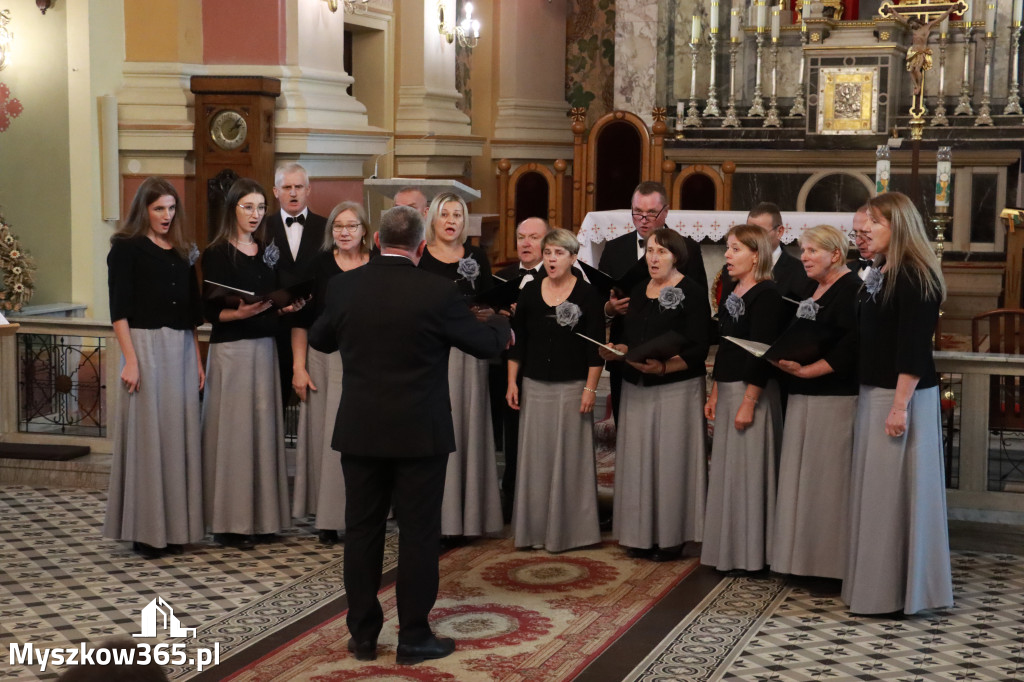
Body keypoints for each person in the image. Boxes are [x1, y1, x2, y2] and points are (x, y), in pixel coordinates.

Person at [308, 205, 511, 665]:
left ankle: (362, 636)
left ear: (376, 241)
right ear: (421, 247)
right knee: (419, 535)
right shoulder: (436, 292)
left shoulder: (344, 286)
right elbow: (485, 346)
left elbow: (320, 340)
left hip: (360, 431)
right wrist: (501, 324)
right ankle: (414, 638)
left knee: (362, 532)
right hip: (420, 433)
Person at [843, 191, 953, 616]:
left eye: (873, 223)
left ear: (898, 226)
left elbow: (912, 349)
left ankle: (896, 592)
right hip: (877, 393)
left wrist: (899, 407)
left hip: (902, 397)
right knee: (876, 496)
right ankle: (875, 586)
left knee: (894, 497)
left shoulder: (914, 274)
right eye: (863, 225)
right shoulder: (882, 271)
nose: (864, 231)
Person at [103, 177, 205, 560]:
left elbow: (192, 315)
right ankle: (146, 531)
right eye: (159, 208)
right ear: (144, 209)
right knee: (149, 440)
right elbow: (119, 311)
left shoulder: (182, 252)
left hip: (180, 349)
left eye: (171, 208)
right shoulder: (125, 249)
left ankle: (177, 528)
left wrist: (196, 361)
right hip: (144, 347)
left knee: (177, 437)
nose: (167, 215)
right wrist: (130, 359)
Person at [201, 178, 304, 551]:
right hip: (231, 352)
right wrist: (239, 312)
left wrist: (288, 305)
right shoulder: (215, 253)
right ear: (233, 209)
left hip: (265, 349)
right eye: (248, 207)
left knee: (262, 432)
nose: (256, 214)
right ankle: (230, 523)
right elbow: (211, 312)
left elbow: (275, 297)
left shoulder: (268, 251)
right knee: (233, 436)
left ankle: (263, 520)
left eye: (261, 207)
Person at [601, 228, 712, 562]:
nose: (653, 257)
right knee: (639, 461)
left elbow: (699, 345)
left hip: (675, 389)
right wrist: (616, 349)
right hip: (638, 386)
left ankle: (671, 537)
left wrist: (665, 368)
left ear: (675, 256)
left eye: (661, 252)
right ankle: (639, 533)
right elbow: (628, 337)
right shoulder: (637, 290)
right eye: (649, 251)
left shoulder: (690, 291)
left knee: (671, 463)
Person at [770, 224, 860, 581]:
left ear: (835, 254)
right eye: (802, 250)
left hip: (833, 395)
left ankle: (828, 568)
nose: (803, 257)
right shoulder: (812, 287)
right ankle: (799, 561)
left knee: (826, 483)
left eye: (811, 251)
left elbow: (852, 345)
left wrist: (810, 371)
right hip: (803, 393)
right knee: (800, 480)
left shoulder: (851, 289)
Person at [507, 228, 605, 552]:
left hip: (573, 385)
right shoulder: (530, 292)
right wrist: (512, 382)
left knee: (571, 462)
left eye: (558, 253)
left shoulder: (588, 296)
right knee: (535, 461)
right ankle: (533, 531)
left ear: (573, 258)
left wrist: (591, 389)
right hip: (535, 386)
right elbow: (518, 342)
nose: (551, 258)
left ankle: (573, 533)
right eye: (547, 252)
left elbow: (596, 349)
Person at [418, 191, 503, 540]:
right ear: (432, 220)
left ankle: (471, 518)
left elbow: (490, 302)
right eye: (445, 214)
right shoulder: (421, 258)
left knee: (471, 429)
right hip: (435, 355)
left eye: (457, 215)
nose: (452, 221)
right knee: (438, 430)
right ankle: (439, 518)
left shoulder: (476, 255)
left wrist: (487, 312)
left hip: (470, 354)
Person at [702, 223, 785, 573]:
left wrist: (748, 401)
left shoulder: (768, 294)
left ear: (756, 255)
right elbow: (726, 347)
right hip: (729, 387)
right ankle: (729, 549)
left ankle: (752, 555)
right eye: (727, 247)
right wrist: (716, 390)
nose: (727, 255)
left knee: (750, 474)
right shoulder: (733, 290)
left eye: (735, 249)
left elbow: (762, 353)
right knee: (728, 473)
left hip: (754, 391)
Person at [291, 201, 370, 545]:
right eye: (338, 226)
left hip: (368, 362)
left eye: (352, 226)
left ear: (364, 230)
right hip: (324, 360)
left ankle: (364, 513)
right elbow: (300, 320)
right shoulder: (320, 265)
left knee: (365, 440)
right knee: (328, 440)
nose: (344, 232)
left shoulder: (377, 265)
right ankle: (327, 519)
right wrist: (298, 367)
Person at [600, 181, 707, 421]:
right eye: (637, 212)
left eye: (650, 213)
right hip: (626, 359)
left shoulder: (687, 248)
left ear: (665, 212)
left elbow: (698, 314)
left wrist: (668, 362)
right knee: (628, 425)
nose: (643, 219)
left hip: (671, 361)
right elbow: (602, 297)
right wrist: (610, 309)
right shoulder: (614, 248)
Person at [493, 217, 550, 518]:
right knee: (511, 431)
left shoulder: (556, 275)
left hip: (543, 362)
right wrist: (498, 314)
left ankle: (542, 497)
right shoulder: (502, 277)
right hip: (506, 365)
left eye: (533, 237)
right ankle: (511, 492)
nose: (526, 244)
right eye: (521, 237)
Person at [266, 163, 327, 407]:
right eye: (287, 187)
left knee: (316, 399)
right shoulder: (261, 227)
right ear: (275, 191)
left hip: (315, 328)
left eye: (298, 187)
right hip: (273, 327)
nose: (293, 193)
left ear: (308, 190)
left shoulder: (327, 228)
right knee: (272, 402)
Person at [718, 201, 814, 304]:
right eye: (750, 231)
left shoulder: (801, 273)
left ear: (779, 231)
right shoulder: (732, 269)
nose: (754, 237)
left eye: (760, 232)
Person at [848, 205, 875, 280]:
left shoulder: (902, 272)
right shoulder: (847, 270)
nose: (857, 242)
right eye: (855, 232)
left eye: (865, 233)